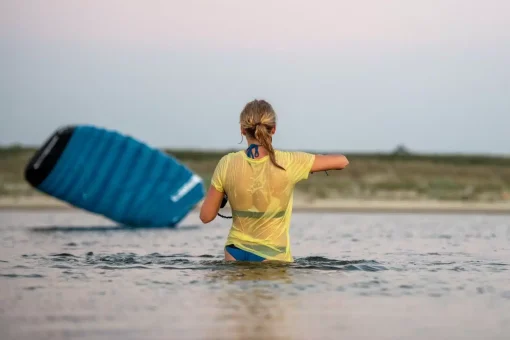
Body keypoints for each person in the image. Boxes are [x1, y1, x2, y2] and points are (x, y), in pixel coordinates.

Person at [199, 99, 349, 262]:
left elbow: (206, 216)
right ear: (274, 129)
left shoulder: (226, 163)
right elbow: (342, 161)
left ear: (242, 130)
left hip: (234, 252)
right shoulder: (290, 161)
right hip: (272, 255)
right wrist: (310, 163)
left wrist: (224, 194)